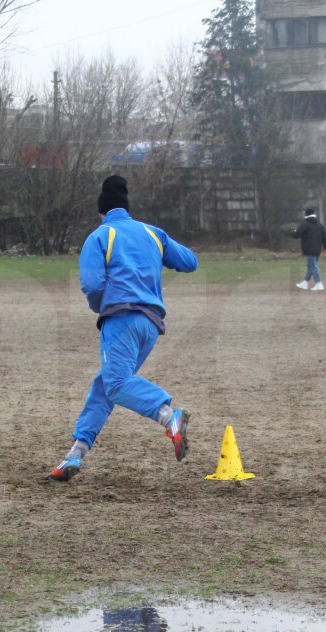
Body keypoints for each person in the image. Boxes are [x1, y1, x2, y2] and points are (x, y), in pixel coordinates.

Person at [48, 175, 199, 481]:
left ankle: (169, 417)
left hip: (121, 320)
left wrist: (100, 306)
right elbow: (190, 262)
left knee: (116, 384)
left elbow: (91, 285)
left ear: (101, 211)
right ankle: (75, 454)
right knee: (106, 385)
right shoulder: (153, 233)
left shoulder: (100, 236)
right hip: (150, 325)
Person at [291, 208, 326, 291]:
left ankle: (319, 283)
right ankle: (305, 283)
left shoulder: (305, 224)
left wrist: (293, 231)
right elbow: (324, 237)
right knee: (310, 266)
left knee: (313, 266)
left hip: (308, 248)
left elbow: (297, 234)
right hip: (317, 248)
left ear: (306, 215)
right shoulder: (319, 225)